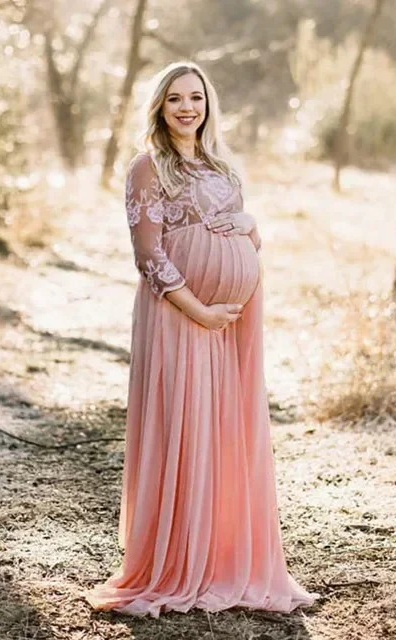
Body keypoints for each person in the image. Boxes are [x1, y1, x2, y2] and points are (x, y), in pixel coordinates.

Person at [85, 61, 319, 618]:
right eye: (174, 99)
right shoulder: (148, 168)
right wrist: (199, 310)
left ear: (208, 104)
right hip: (180, 317)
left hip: (228, 324)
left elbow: (247, 231)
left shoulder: (221, 166)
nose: (187, 108)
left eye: (195, 97)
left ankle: (220, 555)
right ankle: (176, 560)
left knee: (222, 430)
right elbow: (149, 257)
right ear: (160, 108)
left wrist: (249, 225)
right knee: (184, 429)